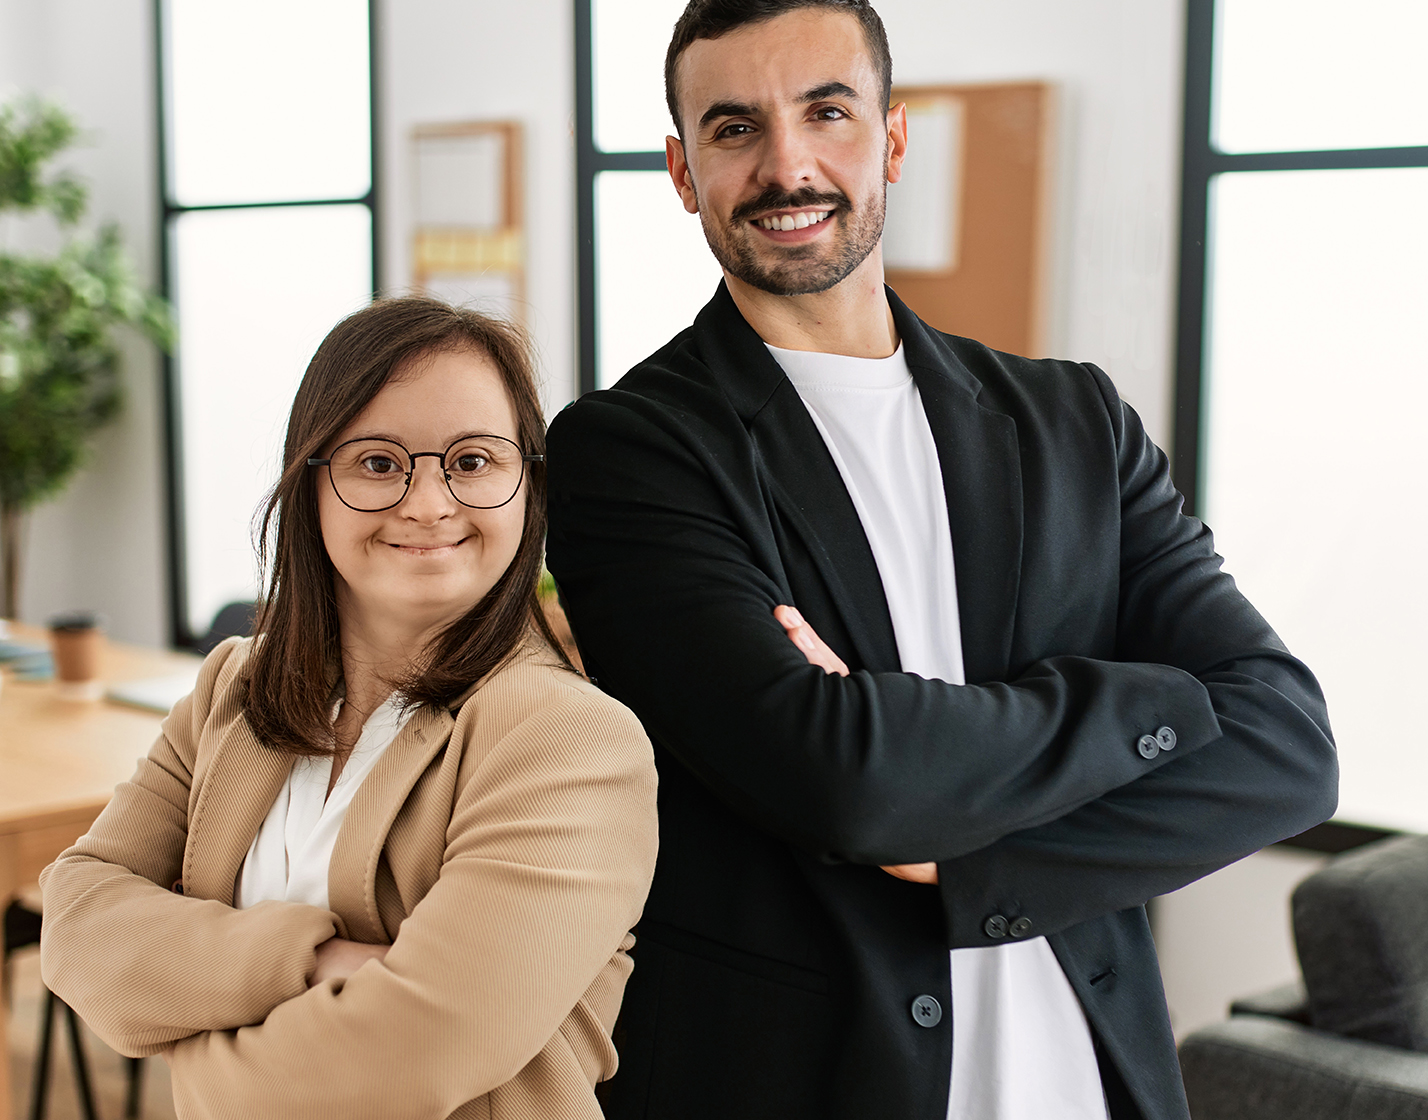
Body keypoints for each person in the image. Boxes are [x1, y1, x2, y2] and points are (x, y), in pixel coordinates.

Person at [543, 1, 1339, 1118]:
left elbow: (1289, 749)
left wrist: (962, 849)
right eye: (733, 130)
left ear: (893, 137)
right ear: (682, 170)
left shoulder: (1073, 422)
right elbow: (849, 783)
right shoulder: (630, 449)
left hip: (1089, 1081)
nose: (788, 165)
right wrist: (1151, 703)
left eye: (827, 112)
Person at [39, 298, 658, 1120]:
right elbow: (78, 919)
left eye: (473, 461)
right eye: (377, 462)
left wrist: (187, 1051)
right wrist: (317, 957)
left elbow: (417, 1050)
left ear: (528, 485)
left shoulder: (573, 743)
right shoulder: (234, 686)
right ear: (310, 481)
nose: (429, 503)